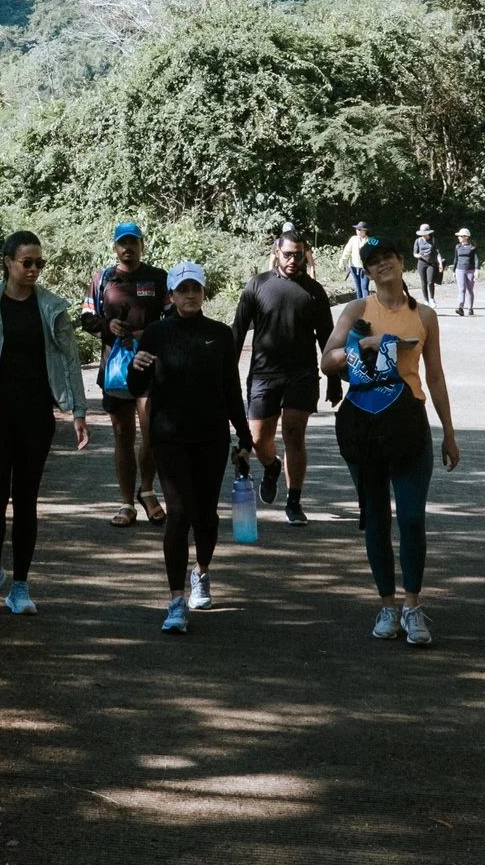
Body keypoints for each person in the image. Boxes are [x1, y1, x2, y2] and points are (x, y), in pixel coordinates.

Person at [322, 237, 460, 646]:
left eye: (388, 258)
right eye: (374, 262)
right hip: (364, 423)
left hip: (408, 422)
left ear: (402, 263)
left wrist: (449, 432)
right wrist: (360, 346)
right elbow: (326, 359)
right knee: (376, 518)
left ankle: (414, 606)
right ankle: (388, 605)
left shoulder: (426, 316)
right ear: (367, 271)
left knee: (413, 518)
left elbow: (434, 376)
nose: (382, 265)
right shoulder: (357, 310)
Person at [0, 230, 91, 615]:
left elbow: (67, 361)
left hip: (35, 416)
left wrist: (77, 412)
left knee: (26, 501)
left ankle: (21, 586)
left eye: (39, 264)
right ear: (8, 262)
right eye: (27, 262)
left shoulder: (52, 308)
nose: (33, 270)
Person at [130, 262, 254, 633]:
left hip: (211, 437)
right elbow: (139, 388)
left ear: (204, 293)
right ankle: (175, 600)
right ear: (170, 295)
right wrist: (136, 368)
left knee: (205, 516)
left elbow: (231, 390)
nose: (189, 295)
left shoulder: (220, 335)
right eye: (182, 289)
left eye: (195, 289)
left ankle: (201, 573)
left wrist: (245, 439)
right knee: (179, 514)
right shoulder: (156, 333)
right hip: (168, 437)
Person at [230, 232, 335, 524]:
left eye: (298, 255)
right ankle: (271, 467)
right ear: (276, 252)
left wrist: (335, 380)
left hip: (302, 374)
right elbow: (238, 331)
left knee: (293, 434)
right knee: (258, 439)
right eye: (287, 254)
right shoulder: (258, 285)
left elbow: (327, 338)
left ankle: (294, 501)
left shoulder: (314, 291)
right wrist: (224, 373)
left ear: (305, 255)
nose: (292, 260)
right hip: (264, 373)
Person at [81, 222, 169, 526]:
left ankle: (147, 491)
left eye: (133, 242)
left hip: (150, 365)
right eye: (122, 243)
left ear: (142, 244)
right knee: (122, 435)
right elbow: (87, 316)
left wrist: (149, 333)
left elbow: (172, 315)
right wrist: (108, 326)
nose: (127, 248)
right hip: (116, 368)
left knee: (152, 433)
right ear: (115, 246)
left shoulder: (158, 278)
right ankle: (126, 503)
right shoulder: (103, 278)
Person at [338, 221, 372, 302]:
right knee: (358, 287)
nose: (358, 231)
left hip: (365, 268)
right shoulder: (353, 239)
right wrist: (342, 261)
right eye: (357, 229)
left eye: (360, 229)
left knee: (364, 287)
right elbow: (347, 251)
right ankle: (359, 304)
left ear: (365, 231)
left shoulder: (369, 241)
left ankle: (366, 304)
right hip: (353, 267)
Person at [453, 227, 480, 317]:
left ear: (466, 237)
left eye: (460, 236)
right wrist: (454, 270)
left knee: (469, 290)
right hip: (459, 270)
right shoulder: (457, 247)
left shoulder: (472, 247)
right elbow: (455, 259)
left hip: (470, 270)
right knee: (461, 289)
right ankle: (460, 307)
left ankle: (470, 308)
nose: (458, 237)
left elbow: (476, 259)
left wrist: (477, 270)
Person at [413, 224, 439, 303]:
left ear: (428, 232)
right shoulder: (418, 241)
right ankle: (426, 300)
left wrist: (440, 264)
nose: (423, 235)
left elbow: (438, 253)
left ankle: (432, 298)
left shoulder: (433, 240)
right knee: (423, 282)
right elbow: (415, 253)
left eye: (424, 233)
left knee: (430, 281)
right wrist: (419, 255)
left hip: (431, 263)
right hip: (421, 263)